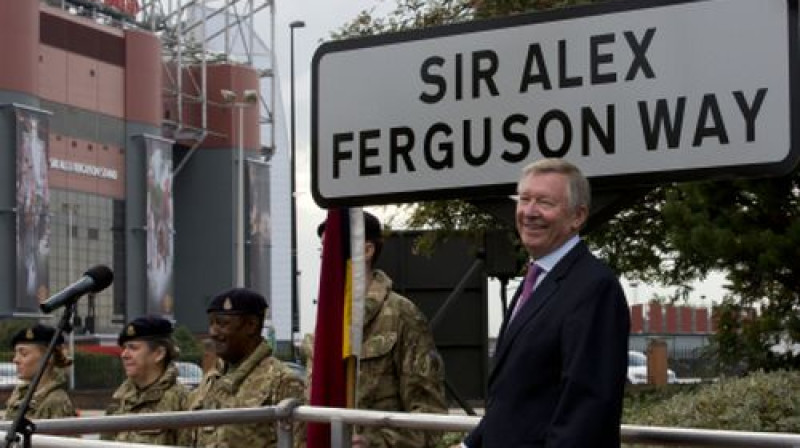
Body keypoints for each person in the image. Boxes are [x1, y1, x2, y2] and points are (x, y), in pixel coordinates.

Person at [458, 159, 630, 448]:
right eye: (524, 199)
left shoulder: (594, 287)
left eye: (545, 202)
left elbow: (586, 415)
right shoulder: (537, 279)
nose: (529, 212)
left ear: (578, 216)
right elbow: (514, 396)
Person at [315, 211, 448, 448]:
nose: (326, 259)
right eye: (323, 250)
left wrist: (374, 443)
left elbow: (430, 418)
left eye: (333, 249)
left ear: (367, 251)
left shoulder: (401, 315)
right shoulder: (328, 324)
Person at [185, 287, 306, 447]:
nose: (213, 332)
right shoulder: (211, 380)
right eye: (211, 323)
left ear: (251, 325)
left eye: (222, 323)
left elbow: (297, 442)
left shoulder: (282, 381)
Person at [103, 315, 189, 445]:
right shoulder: (120, 400)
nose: (124, 355)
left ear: (159, 354)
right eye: (124, 348)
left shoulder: (182, 401)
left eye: (133, 348)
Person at [5, 324, 76, 420]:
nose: (15, 360)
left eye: (24, 354)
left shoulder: (55, 402)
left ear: (48, 357)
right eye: (16, 353)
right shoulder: (20, 396)